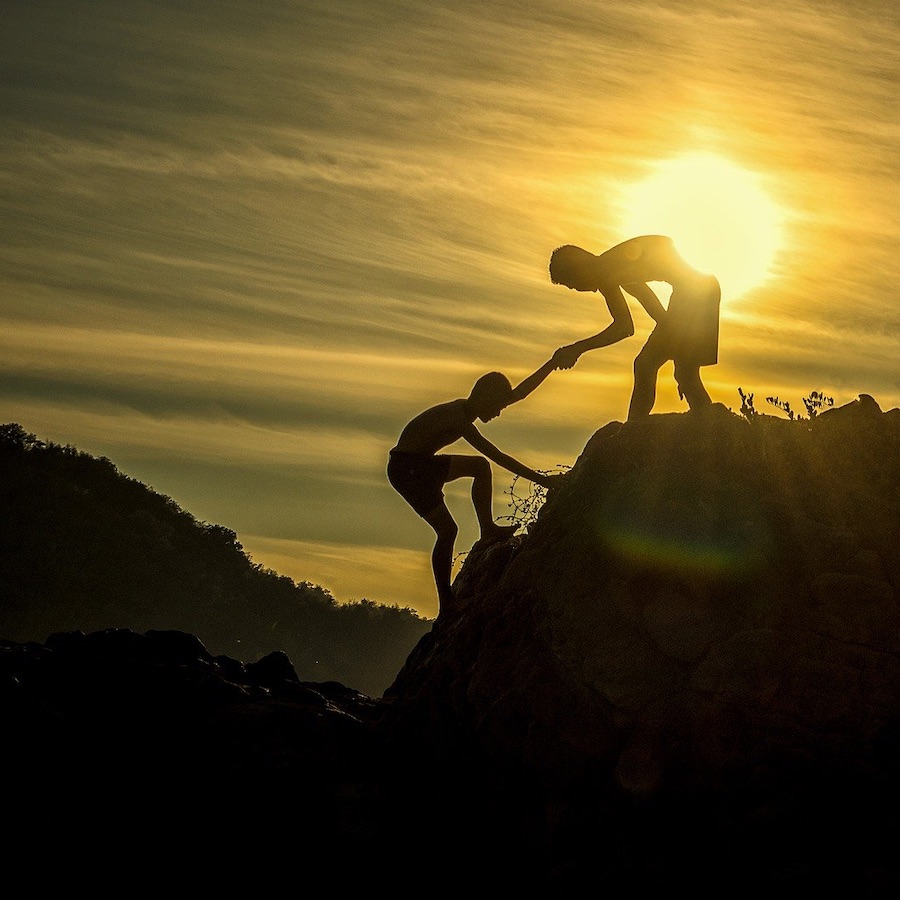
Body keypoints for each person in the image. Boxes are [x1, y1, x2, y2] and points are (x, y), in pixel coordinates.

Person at [388, 355, 564, 614]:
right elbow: (498, 456)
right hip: (408, 470)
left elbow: (520, 394)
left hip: (422, 464)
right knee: (448, 531)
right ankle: (446, 602)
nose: (498, 413)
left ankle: (488, 529)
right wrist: (543, 481)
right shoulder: (457, 418)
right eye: (496, 407)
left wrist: (552, 363)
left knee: (479, 467)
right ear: (483, 397)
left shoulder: (467, 410)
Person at [549, 235, 721, 420]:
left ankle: (634, 429)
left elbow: (624, 327)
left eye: (573, 284)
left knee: (648, 366)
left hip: (696, 296)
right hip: (699, 292)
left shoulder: (606, 271)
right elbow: (651, 306)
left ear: (578, 270)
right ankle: (705, 424)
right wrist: (675, 347)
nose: (578, 289)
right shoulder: (610, 267)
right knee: (681, 374)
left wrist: (578, 348)